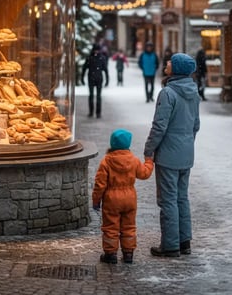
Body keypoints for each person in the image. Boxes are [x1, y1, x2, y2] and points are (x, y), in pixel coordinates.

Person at [144, 53, 200, 258]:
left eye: (170, 62)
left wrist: (149, 149)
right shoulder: (194, 92)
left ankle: (170, 245)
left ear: (176, 69)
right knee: (181, 198)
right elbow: (196, 125)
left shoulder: (168, 93)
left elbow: (159, 126)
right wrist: (186, 143)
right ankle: (184, 241)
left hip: (168, 154)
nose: (166, 63)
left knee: (167, 200)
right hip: (186, 152)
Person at [92, 128, 154, 264]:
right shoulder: (134, 160)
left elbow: (100, 184)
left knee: (110, 227)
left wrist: (96, 200)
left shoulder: (106, 161)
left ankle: (111, 254)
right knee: (129, 226)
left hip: (111, 199)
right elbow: (144, 174)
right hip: (130, 198)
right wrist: (149, 162)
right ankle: (128, 254)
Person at [81, 43, 109, 118]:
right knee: (91, 96)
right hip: (91, 78)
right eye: (95, 50)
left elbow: (105, 70)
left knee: (98, 96)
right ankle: (91, 112)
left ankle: (98, 113)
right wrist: (82, 78)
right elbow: (84, 68)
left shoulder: (102, 58)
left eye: (97, 50)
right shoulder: (90, 58)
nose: (96, 52)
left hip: (99, 79)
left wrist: (107, 80)